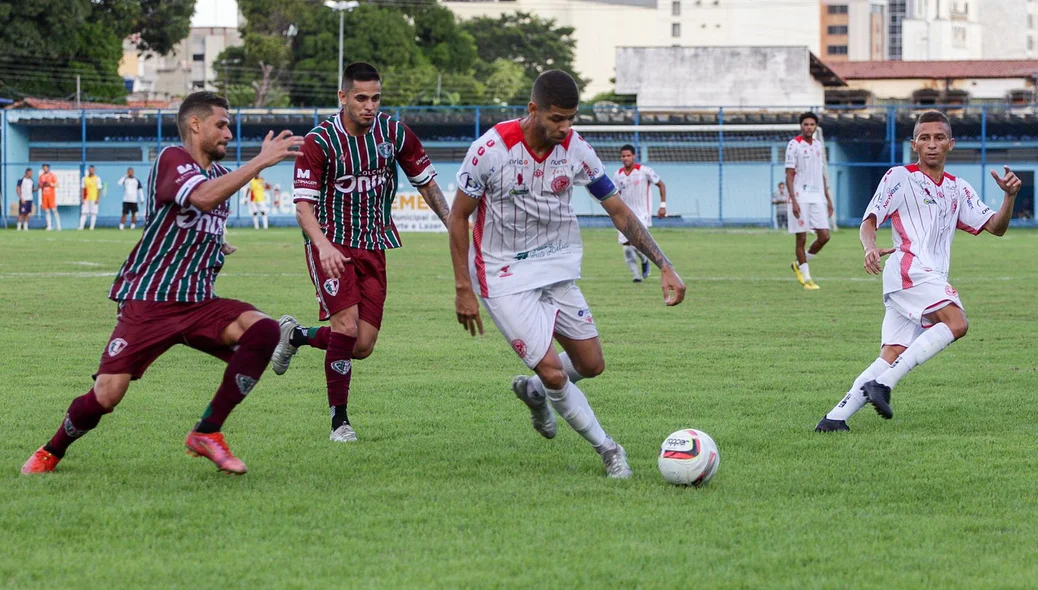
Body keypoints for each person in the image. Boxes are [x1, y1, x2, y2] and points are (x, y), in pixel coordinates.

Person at [20, 91, 304, 475]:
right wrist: (258, 162)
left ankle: (208, 432)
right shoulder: (173, 157)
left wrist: (216, 243)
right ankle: (51, 451)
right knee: (107, 395)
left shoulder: (221, 176)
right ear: (195, 124)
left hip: (197, 302)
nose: (229, 132)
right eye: (221, 124)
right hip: (149, 302)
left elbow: (196, 216)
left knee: (264, 331)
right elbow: (200, 199)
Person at [447, 71, 687, 478]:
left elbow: (619, 211)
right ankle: (609, 449)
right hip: (503, 274)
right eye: (556, 118)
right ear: (533, 109)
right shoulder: (490, 149)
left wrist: (664, 264)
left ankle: (536, 392)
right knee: (556, 371)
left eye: (571, 119)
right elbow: (458, 217)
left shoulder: (576, 149)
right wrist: (463, 288)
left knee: (591, 364)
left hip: (556, 268)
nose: (564, 128)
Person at [269, 62, 451, 443]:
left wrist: (454, 227)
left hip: (375, 245)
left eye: (376, 98)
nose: (370, 106)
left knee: (361, 345)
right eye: (361, 98)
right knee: (346, 328)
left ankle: (295, 335)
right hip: (331, 246)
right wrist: (322, 246)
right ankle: (340, 422)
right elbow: (303, 207)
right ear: (343, 97)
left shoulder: (393, 133)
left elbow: (427, 183)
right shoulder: (320, 142)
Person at [815, 110, 1021, 432]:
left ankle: (834, 419)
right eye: (924, 138)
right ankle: (884, 385)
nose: (932, 144)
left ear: (950, 144)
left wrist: (1009, 197)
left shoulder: (959, 189)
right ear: (914, 144)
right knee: (957, 322)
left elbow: (995, 226)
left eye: (939, 138)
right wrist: (869, 247)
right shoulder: (900, 177)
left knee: (892, 352)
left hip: (923, 280)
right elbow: (869, 221)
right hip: (910, 270)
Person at [785, 112, 833, 290]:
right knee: (802, 237)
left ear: (816, 127)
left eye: (812, 124)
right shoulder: (794, 145)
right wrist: (794, 200)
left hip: (817, 196)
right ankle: (806, 278)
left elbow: (821, 174)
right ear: (801, 126)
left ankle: (799, 263)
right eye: (805, 124)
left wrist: (828, 199)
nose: (809, 127)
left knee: (824, 236)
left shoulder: (818, 145)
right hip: (799, 196)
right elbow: (789, 174)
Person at [613, 144, 667, 282]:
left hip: (641, 214)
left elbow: (661, 184)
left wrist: (662, 206)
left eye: (628, 155)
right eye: (623, 156)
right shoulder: (618, 175)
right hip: (624, 214)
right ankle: (637, 276)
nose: (626, 158)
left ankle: (644, 260)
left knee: (634, 242)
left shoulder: (644, 171)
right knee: (626, 248)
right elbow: (615, 195)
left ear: (634, 156)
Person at [79, 165, 103, 230]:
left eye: (92, 170)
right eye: (90, 169)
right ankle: (81, 226)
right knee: (84, 212)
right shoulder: (84, 178)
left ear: (94, 170)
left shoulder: (97, 178)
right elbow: (82, 189)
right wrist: (82, 198)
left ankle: (92, 227)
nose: (91, 171)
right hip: (86, 198)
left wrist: (98, 199)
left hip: (94, 198)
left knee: (93, 213)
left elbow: (99, 189)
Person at [39, 164, 60, 231]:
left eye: (46, 168)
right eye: (44, 168)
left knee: (54, 210)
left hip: (51, 196)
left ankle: (58, 226)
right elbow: (40, 185)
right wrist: (42, 185)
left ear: (48, 168)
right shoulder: (41, 176)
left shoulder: (52, 176)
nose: (45, 169)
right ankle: (49, 226)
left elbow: (57, 184)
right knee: (47, 211)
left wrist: (50, 184)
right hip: (44, 196)